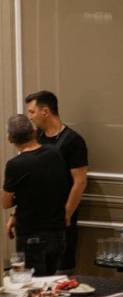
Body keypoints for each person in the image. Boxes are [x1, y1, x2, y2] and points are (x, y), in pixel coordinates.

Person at [23, 91, 88, 272]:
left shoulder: (73, 141)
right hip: (34, 219)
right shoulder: (36, 137)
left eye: (32, 112)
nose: (30, 117)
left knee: (60, 273)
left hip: (59, 219)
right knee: (34, 274)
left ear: (45, 111)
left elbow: (80, 182)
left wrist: (66, 214)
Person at [2, 114, 70, 275]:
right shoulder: (54, 153)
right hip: (57, 232)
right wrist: (15, 213)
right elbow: (54, 188)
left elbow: (5, 202)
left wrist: (15, 202)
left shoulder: (15, 165)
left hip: (31, 235)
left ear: (10, 138)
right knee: (51, 282)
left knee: (33, 285)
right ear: (34, 132)